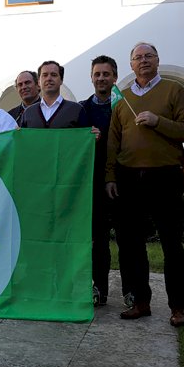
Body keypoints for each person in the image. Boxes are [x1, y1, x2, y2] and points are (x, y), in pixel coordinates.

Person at [105, 42, 184, 327]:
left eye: (148, 56)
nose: (143, 61)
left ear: (158, 60)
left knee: (171, 244)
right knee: (131, 245)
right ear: (130, 65)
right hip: (129, 176)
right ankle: (141, 301)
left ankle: (178, 306)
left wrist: (158, 121)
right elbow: (113, 141)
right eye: (137, 57)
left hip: (164, 175)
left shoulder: (174, 91)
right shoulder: (122, 98)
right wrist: (110, 176)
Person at [79, 55, 128, 307]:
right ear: (91, 77)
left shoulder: (125, 106)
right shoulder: (81, 109)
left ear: (115, 77)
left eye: (106, 74)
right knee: (98, 241)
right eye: (97, 74)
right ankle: (99, 289)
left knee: (127, 239)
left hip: (123, 181)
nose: (101, 78)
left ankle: (131, 291)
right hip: (93, 184)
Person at [21, 61, 89, 129]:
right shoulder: (28, 113)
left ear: (61, 80)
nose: (49, 78)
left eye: (53, 75)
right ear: (39, 81)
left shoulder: (76, 110)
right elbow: (23, 139)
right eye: (45, 75)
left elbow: (85, 138)